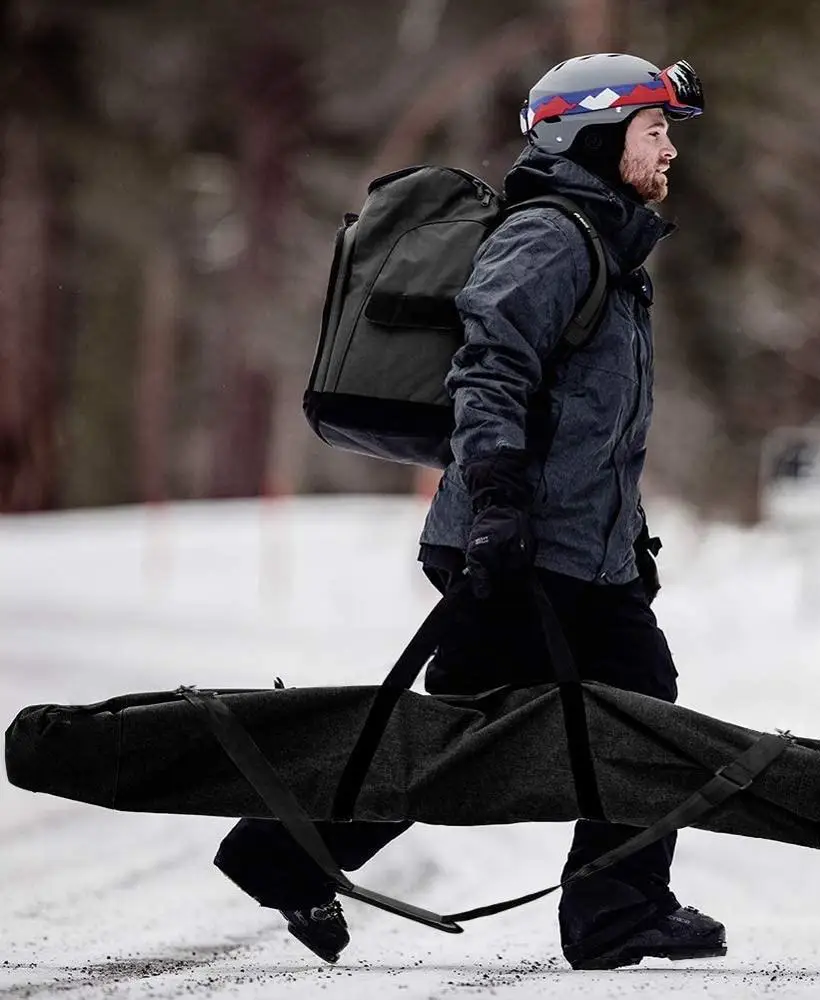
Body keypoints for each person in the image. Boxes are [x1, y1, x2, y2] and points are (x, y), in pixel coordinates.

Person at [214, 52, 725, 971]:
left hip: (579, 554)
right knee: (466, 739)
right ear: (596, 136)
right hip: (519, 544)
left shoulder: (606, 242)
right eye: (654, 133)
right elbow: (489, 367)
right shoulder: (552, 237)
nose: (667, 153)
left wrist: (620, 541)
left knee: (633, 711)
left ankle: (614, 907)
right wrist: (496, 504)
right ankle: (285, 850)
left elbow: (591, 426)